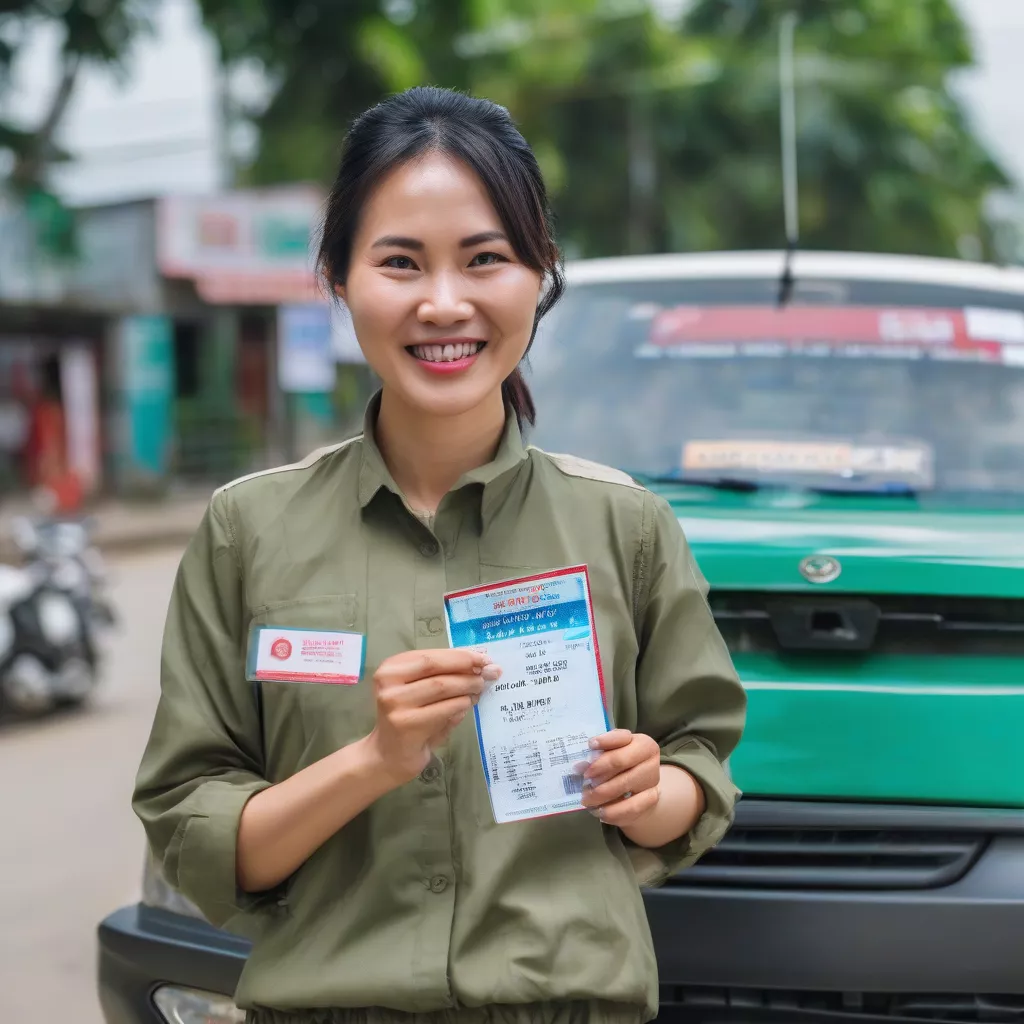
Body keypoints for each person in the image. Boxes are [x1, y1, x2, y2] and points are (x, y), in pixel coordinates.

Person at [132, 86, 747, 1024]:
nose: (445, 303)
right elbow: (200, 834)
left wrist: (647, 789)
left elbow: (699, 771)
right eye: (400, 263)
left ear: (539, 273)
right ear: (338, 279)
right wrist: (376, 759)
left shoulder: (627, 526)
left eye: (486, 259)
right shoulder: (245, 529)